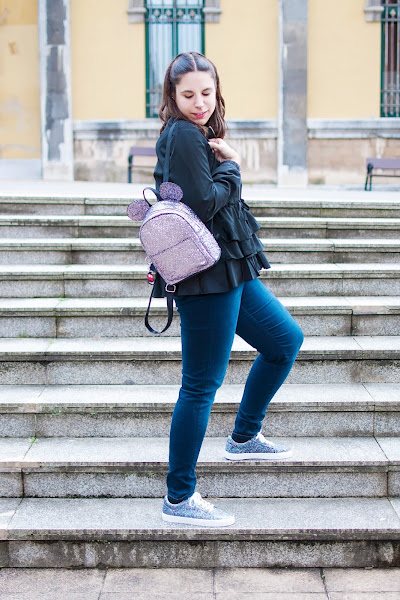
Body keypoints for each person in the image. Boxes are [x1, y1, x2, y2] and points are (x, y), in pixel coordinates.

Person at [152, 52, 304, 527]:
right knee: (200, 386)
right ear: (172, 96)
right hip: (206, 276)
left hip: (231, 267)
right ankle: (179, 497)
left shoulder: (199, 135)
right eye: (188, 95)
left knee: (284, 341)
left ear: (217, 92)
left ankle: (244, 437)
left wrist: (223, 165)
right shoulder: (182, 134)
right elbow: (203, 203)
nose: (199, 102)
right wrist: (234, 167)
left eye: (206, 92)